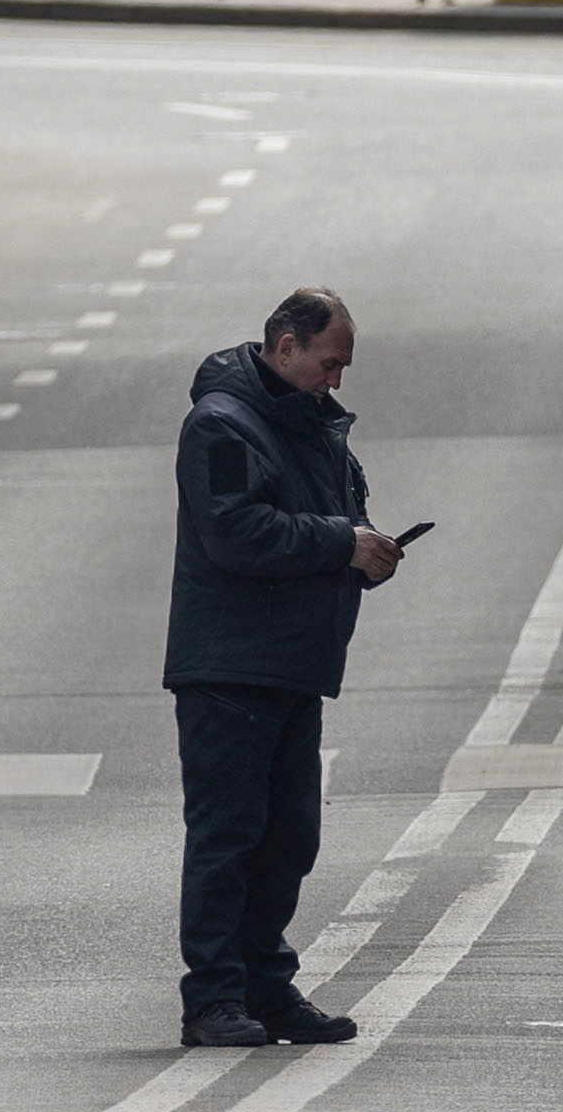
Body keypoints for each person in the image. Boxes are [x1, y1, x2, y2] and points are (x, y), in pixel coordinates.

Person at [165, 287, 400, 1048]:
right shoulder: (223, 425)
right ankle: (213, 998)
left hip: (293, 662)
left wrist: (365, 553)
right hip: (232, 666)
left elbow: (334, 511)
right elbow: (235, 533)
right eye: (329, 362)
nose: (337, 380)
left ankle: (266, 986)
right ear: (286, 344)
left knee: (288, 837)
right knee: (229, 836)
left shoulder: (311, 423)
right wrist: (341, 544)